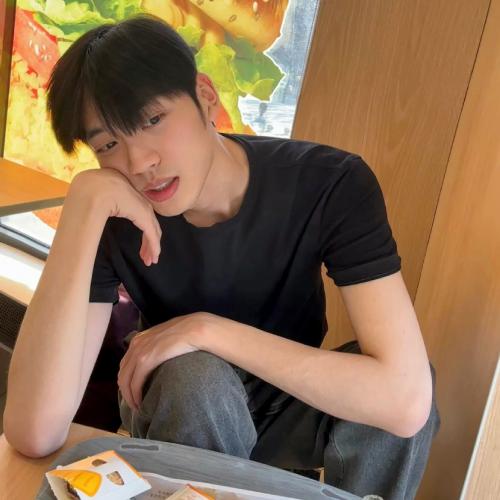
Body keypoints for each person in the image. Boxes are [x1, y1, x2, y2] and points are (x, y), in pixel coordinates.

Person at [4, 15, 440, 500]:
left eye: (152, 120)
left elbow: (407, 403)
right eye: (107, 144)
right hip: (182, 406)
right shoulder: (114, 212)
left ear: (205, 96)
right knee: (194, 377)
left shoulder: (329, 183)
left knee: (401, 385)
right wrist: (81, 208)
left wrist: (205, 329)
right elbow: (33, 432)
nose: (139, 163)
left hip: (293, 400)